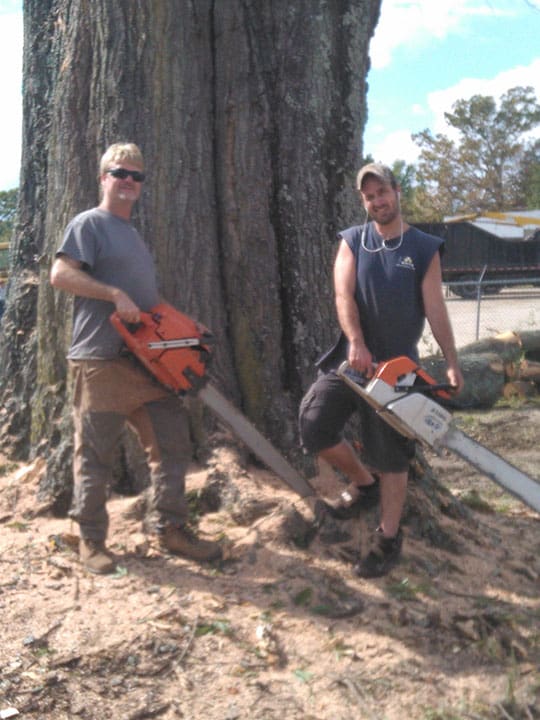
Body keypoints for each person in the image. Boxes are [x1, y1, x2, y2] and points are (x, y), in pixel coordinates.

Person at [50, 142, 222, 574]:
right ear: (103, 177)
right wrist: (112, 293)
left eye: (135, 175)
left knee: (171, 443)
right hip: (101, 358)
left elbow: (148, 300)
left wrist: (185, 326)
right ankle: (89, 539)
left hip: (148, 364)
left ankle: (170, 528)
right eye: (119, 172)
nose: (128, 180)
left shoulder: (131, 235)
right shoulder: (89, 224)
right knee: (95, 454)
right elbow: (60, 273)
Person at [299, 162, 464, 578]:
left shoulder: (424, 247)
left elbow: (436, 308)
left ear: (397, 191)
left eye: (382, 192)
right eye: (369, 196)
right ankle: (363, 483)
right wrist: (356, 341)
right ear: (363, 201)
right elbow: (343, 294)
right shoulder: (353, 241)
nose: (377, 201)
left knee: (392, 457)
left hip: (400, 370)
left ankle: (388, 537)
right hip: (353, 361)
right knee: (314, 423)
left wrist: (451, 362)